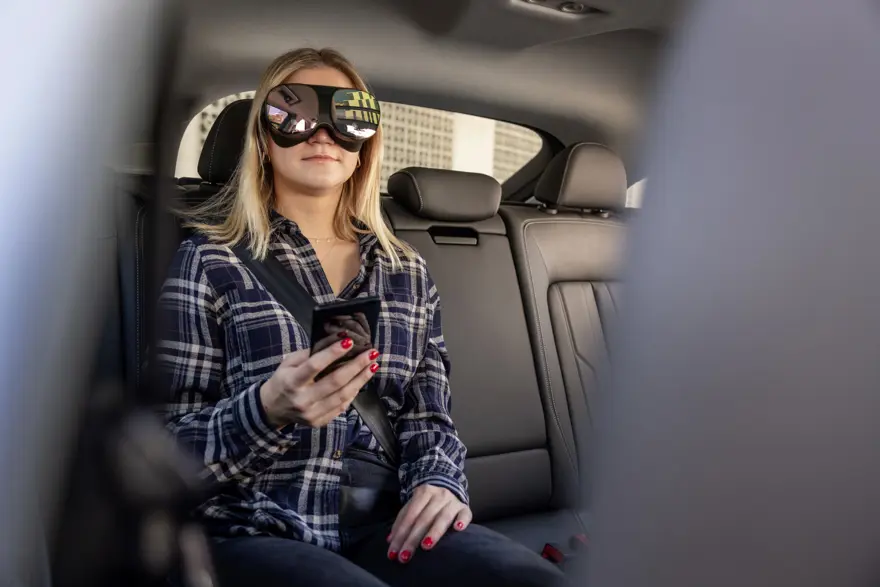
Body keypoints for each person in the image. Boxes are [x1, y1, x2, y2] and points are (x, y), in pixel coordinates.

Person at [156, 47, 566, 587]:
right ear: (263, 139)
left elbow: (428, 417)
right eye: (295, 114)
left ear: (364, 146)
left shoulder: (405, 270)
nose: (323, 133)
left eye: (347, 117)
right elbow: (164, 458)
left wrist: (439, 481)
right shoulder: (210, 261)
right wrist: (265, 410)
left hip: (386, 523)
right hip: (254, 523)